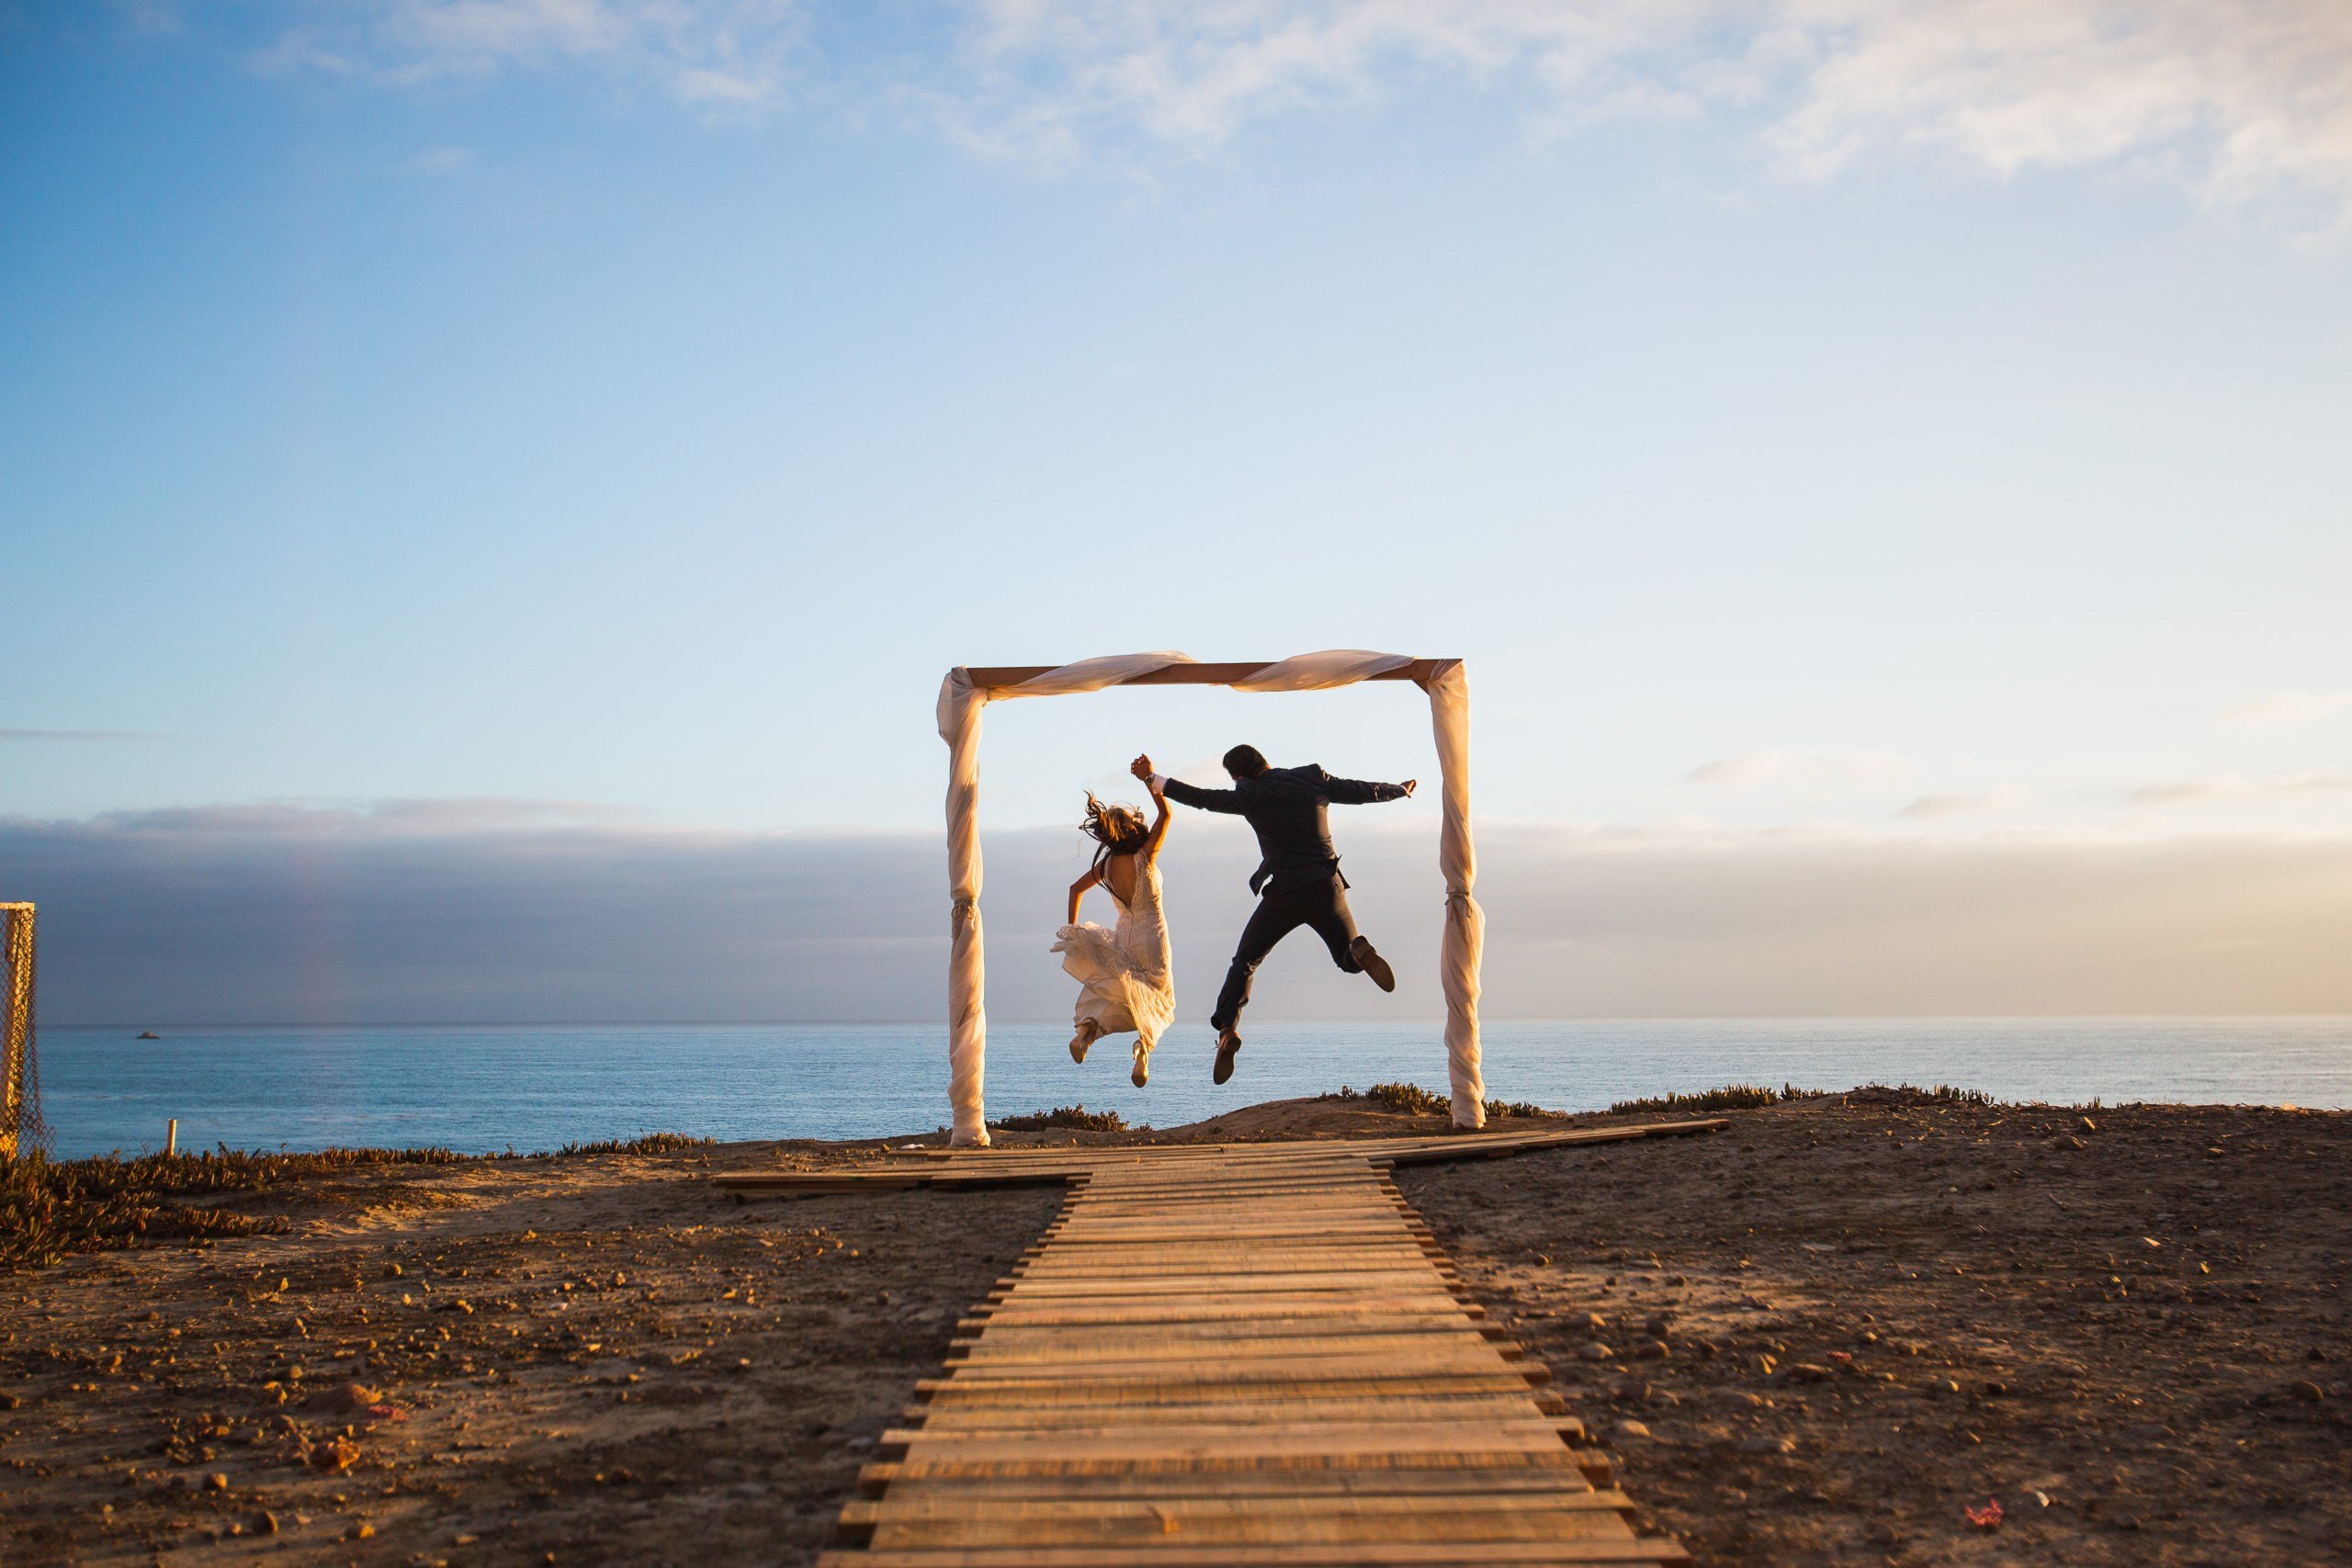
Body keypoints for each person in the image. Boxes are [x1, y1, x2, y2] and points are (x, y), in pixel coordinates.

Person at [1131, 747, 1414, 1085]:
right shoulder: (1311, 776)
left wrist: (1152, 778)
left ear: (1239, 776)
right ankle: (1357, 951)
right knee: (1346, 957)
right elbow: (1358, 791)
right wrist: (1398, 790)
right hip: (1326, 885)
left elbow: (1203, 798)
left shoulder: (1250, 794)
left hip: (1286, 894)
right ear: (1262, 761)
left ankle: (1227, 1030)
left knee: (1246, 961)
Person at [1051, 783, 1175, 1089]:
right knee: (1159, 1001)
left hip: (1123, 936)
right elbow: (1166, 813)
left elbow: (1074, 890)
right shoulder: (1145, 857)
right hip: (1153, 936)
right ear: (1130, 830)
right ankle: (1142, 1051)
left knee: (1120, 992)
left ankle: (1085, 1036)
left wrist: (1074, 932)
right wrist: (1150, 780)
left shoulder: (1106, 865)